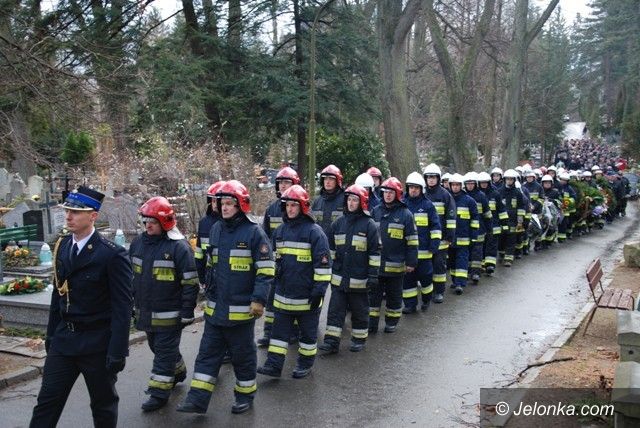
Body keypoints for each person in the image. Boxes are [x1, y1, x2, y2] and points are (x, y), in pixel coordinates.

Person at [30, 186, 133, 428]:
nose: (69, 217)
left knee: (103, 405)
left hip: (97, 344)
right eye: (67, 211)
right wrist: (51, 336)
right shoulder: (62, 247)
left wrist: (118, 350)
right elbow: (58, 296)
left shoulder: (112, 255)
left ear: (93, 216)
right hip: (64, 341)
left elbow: (122, 307)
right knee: (46, 403)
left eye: (76, 212)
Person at [177, 180, 273, 415]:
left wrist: (259, 300)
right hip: (215, 309)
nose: (225, 207)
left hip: (241, 312)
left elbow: (266, 270)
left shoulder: (254, 233)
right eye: (222, 203)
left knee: (243, 357)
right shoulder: (216, 229)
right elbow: (210, 264)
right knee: (207, 356)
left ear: (241, 205)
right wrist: (205, 286)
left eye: (230, 203)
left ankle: (245, 395)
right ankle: (197, 399)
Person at [129, 197, 199, 411]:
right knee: (157, 347)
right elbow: (130, 276)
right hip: (146, 311)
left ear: (165, 222)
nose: (148, 225)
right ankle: (178, 371)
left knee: (163, 352)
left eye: (153, 221)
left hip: (170, 314)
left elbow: (190, 282)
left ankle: (158, 393)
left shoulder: (179, 247)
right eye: (145, 221)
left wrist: (187, 311)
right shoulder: (138, 243)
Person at [258, 185, 331, 378]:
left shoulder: (315, 233)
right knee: (278, 335)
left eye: (294, 205)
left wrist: (319, 291)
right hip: (283, 296)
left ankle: (305, 364)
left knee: (307, 336)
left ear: (302, 207)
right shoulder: (279, 231)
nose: (290, 209)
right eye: (288, 205)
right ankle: (273, 365)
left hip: (307, 298)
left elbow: (323, 266)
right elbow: (275, 260)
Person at [319, 184, 380, 353]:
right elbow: (330, 250)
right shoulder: (338, 223)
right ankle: (331, 342)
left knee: (360, 311)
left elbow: (374, 253)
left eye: (355, 200)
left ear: (362, 202)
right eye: (349, 199)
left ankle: (359, 339)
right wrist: (328, 270)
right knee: (335, 311)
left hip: (360, 280)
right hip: (339, 279)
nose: (351, 203)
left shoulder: (369, 225)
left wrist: (373, 275)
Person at [258, 167, 300, 347]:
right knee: (271, 299)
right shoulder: (271, 209)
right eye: (281, 182)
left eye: (287, 182)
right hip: (275, 262)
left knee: (293, 299)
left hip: (294, 263)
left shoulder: (301, 208)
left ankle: (295, 332)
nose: (283, 186)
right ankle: (269, 332)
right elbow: (265, 237)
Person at [369, 177, 418, 333]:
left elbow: (412, 241)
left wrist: (411, 262)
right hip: (377, 265)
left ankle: (391, 322)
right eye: (385, 192)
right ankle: (371, 324)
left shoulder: (406, 214)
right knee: (373, 297)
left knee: (394, 297)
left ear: (397, 194)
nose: (388, 195)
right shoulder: (375, 211)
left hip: (396, 267)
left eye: (391, 192)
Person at [402, 172, 441, 312]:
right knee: (408, 279)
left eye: (416, 188)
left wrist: (434, 244)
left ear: (421, 189)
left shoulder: (428, 205)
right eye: (411, 187)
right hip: (407, 252)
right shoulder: (402, 204)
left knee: (425, 278)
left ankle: (426, 299)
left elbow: (435, 226)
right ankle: (410, 305)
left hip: (424, 251)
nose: (413, 190)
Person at [423, 164, 456, 304]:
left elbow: (451, 217)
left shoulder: (445, 195)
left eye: (433, 177)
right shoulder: (422, 193)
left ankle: (439, 291)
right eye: (428, 177)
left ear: (438, 178)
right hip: (425, 238)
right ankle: (428, 291)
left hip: (441, 239)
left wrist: (449, 236)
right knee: (426, 267)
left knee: (439, 265)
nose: (431, 180)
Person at [447, 174, 479, 294]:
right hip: (450, 238)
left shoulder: (469, 201)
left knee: (462, 260)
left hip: (464, 237)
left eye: (457, 185)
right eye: (453, 185)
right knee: (452, 261)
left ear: (461, 186)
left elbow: (475, 219)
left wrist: (474, 236)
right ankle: (455, 280)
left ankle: (460, 283)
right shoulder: (447, 199)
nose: (455, 187)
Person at [463, 172, 491, 284]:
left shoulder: (481, 196)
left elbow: (487, 213)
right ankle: (467, 271)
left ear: (475, 184)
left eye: (472, 183)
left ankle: (476, 273)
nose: (470, 186)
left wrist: (489, 228)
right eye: (468, 183)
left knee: (477, 252)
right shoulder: (462, 196)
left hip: (480, 229)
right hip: (465, 229)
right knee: (466, 252)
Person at [195, 181, 224, 288]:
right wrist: (202, 278)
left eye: (218, 200)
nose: (215, 204)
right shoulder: (204, 223)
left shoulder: (231, 223)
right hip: (210, 277)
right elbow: (199, 254)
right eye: (213, 200)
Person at [478, 172, 508, 275]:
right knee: (482, 246)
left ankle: (490, 265)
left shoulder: (495, 194)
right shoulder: (477, 195)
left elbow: (502, 210)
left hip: (494, 225)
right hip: (481, 225)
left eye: (485, 182)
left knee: (492, 246)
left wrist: (504, 224)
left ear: (489, 182)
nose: (484, 184)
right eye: (482, 182)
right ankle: (482, 264)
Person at [499, 170, 526, 266]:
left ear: (514, 180)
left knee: (511, 239)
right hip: (501, 220)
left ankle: (508, 258)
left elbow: (521, 208)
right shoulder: (499, 191)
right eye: (507, 179)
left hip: (513, 220)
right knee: (501, 238)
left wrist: (520, 221)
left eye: (511, 179)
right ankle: (502, 253)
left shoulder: (517, 193)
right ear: (504, 180)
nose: (509, 181)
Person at [311, 164, 345, 236]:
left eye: (331, 179)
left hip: (337, 241)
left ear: (337, 181)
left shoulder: (345, 200)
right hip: (319, 241)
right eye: (325, 179)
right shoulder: (316, 201)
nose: (327, 182)